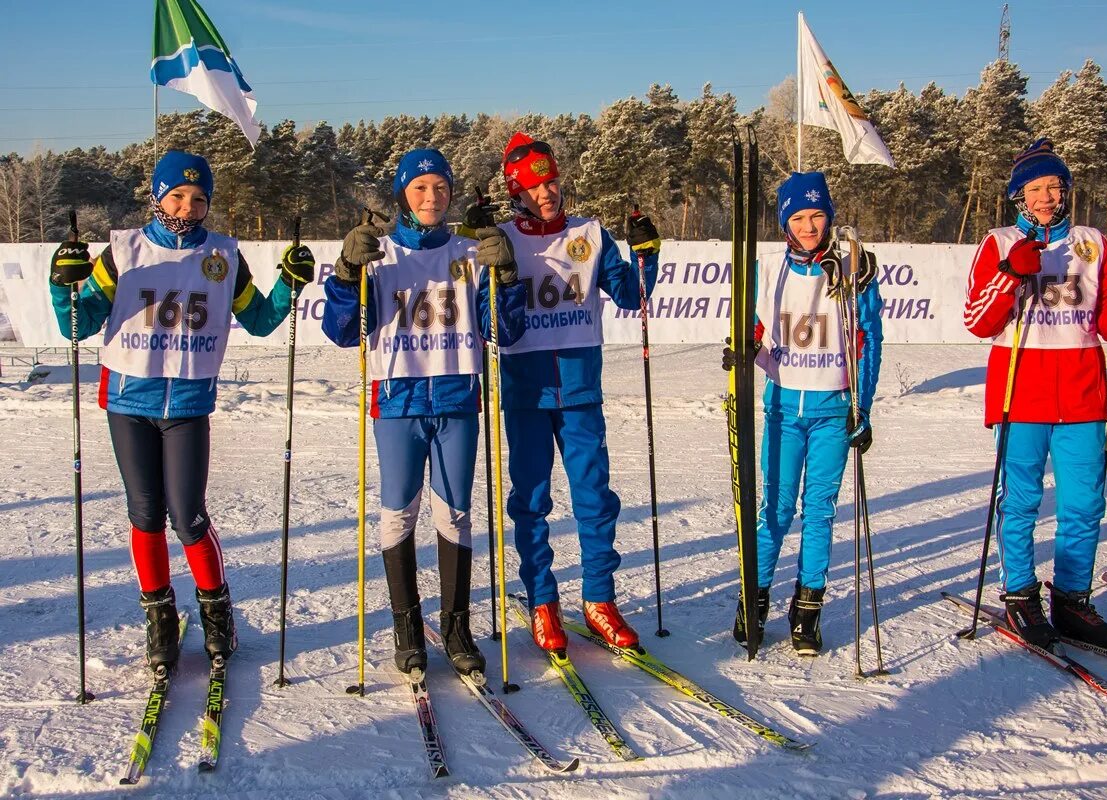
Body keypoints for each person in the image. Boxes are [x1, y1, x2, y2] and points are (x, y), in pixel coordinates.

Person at [47, 150, 315, 669]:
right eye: (177, 196)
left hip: (189, 403)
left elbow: (259, 320)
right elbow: (75, 325)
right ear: (157, 195)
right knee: (145, 514)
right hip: (128, 400)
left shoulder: (223, 256)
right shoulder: (124, 251)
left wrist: (289, 283)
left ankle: (217, 614)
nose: (188, 208)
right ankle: (160, 619)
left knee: (189, 516)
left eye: (198, 199)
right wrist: (65, 284)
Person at [322, 148, 526, 676]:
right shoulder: (380, 253)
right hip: (396, 400)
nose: (431, 197)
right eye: (419, 189)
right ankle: (408, 627)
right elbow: (344, 331)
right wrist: (347, 274)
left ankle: (457, 628)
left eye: (440, 187)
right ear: (403, 196)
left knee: (455, 512)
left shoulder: (469, 251)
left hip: (458, 397)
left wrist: (505, 275)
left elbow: (505, 329)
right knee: (398, 512)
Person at [963, 138, 1107, 649]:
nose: (1046, 197)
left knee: (1085, 504)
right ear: (1019, 195)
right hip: (1022, 392)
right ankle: (1020, 594)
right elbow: (978, 321)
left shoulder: (1092, 242)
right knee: (1021, 500)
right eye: (1036, 189)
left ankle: (1072, 600)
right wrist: (1011, 273)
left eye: (1054, 187)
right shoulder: (998, 242)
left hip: (1083, 392)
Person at [488, 132, 660, 652]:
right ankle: (543, 602)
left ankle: (600, 600)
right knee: (532, 502)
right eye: (536, 187)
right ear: (517, 192)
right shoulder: (500, 239)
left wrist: (646, 251)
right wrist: (496, 270)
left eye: (553, 183)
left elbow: (633, 294)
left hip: (581, 390)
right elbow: (494, 324)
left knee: (595, 498)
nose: (548, 194)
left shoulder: (590, 233)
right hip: (526, 392)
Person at [723, 171, 882, 655]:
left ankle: (807, 607)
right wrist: (744, 347)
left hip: (833, 409)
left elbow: (869, 339)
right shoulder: (768, 271)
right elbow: (747, 328)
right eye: (798, 217)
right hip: (783, 409)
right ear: (784, 223)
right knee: (774, 508)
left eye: (817, 216)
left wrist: (863, 404)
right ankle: (754, 599)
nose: (809, 226)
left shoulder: (852, 267)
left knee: (820, 511)